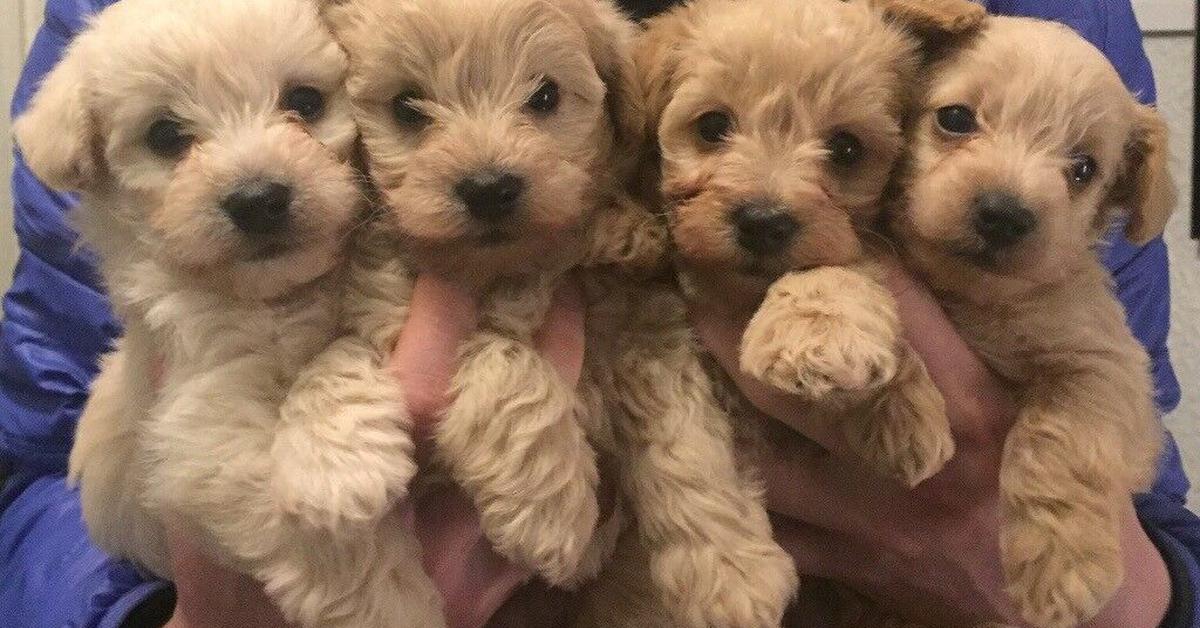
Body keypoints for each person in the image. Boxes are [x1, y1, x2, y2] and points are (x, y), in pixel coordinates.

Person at [0, 0, 1195, 626]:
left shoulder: (1007, 37)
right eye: (401, 110)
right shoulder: (210, 37)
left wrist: (1122, 595)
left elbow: (1149, 507)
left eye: (846, 149)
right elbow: (31, 463)